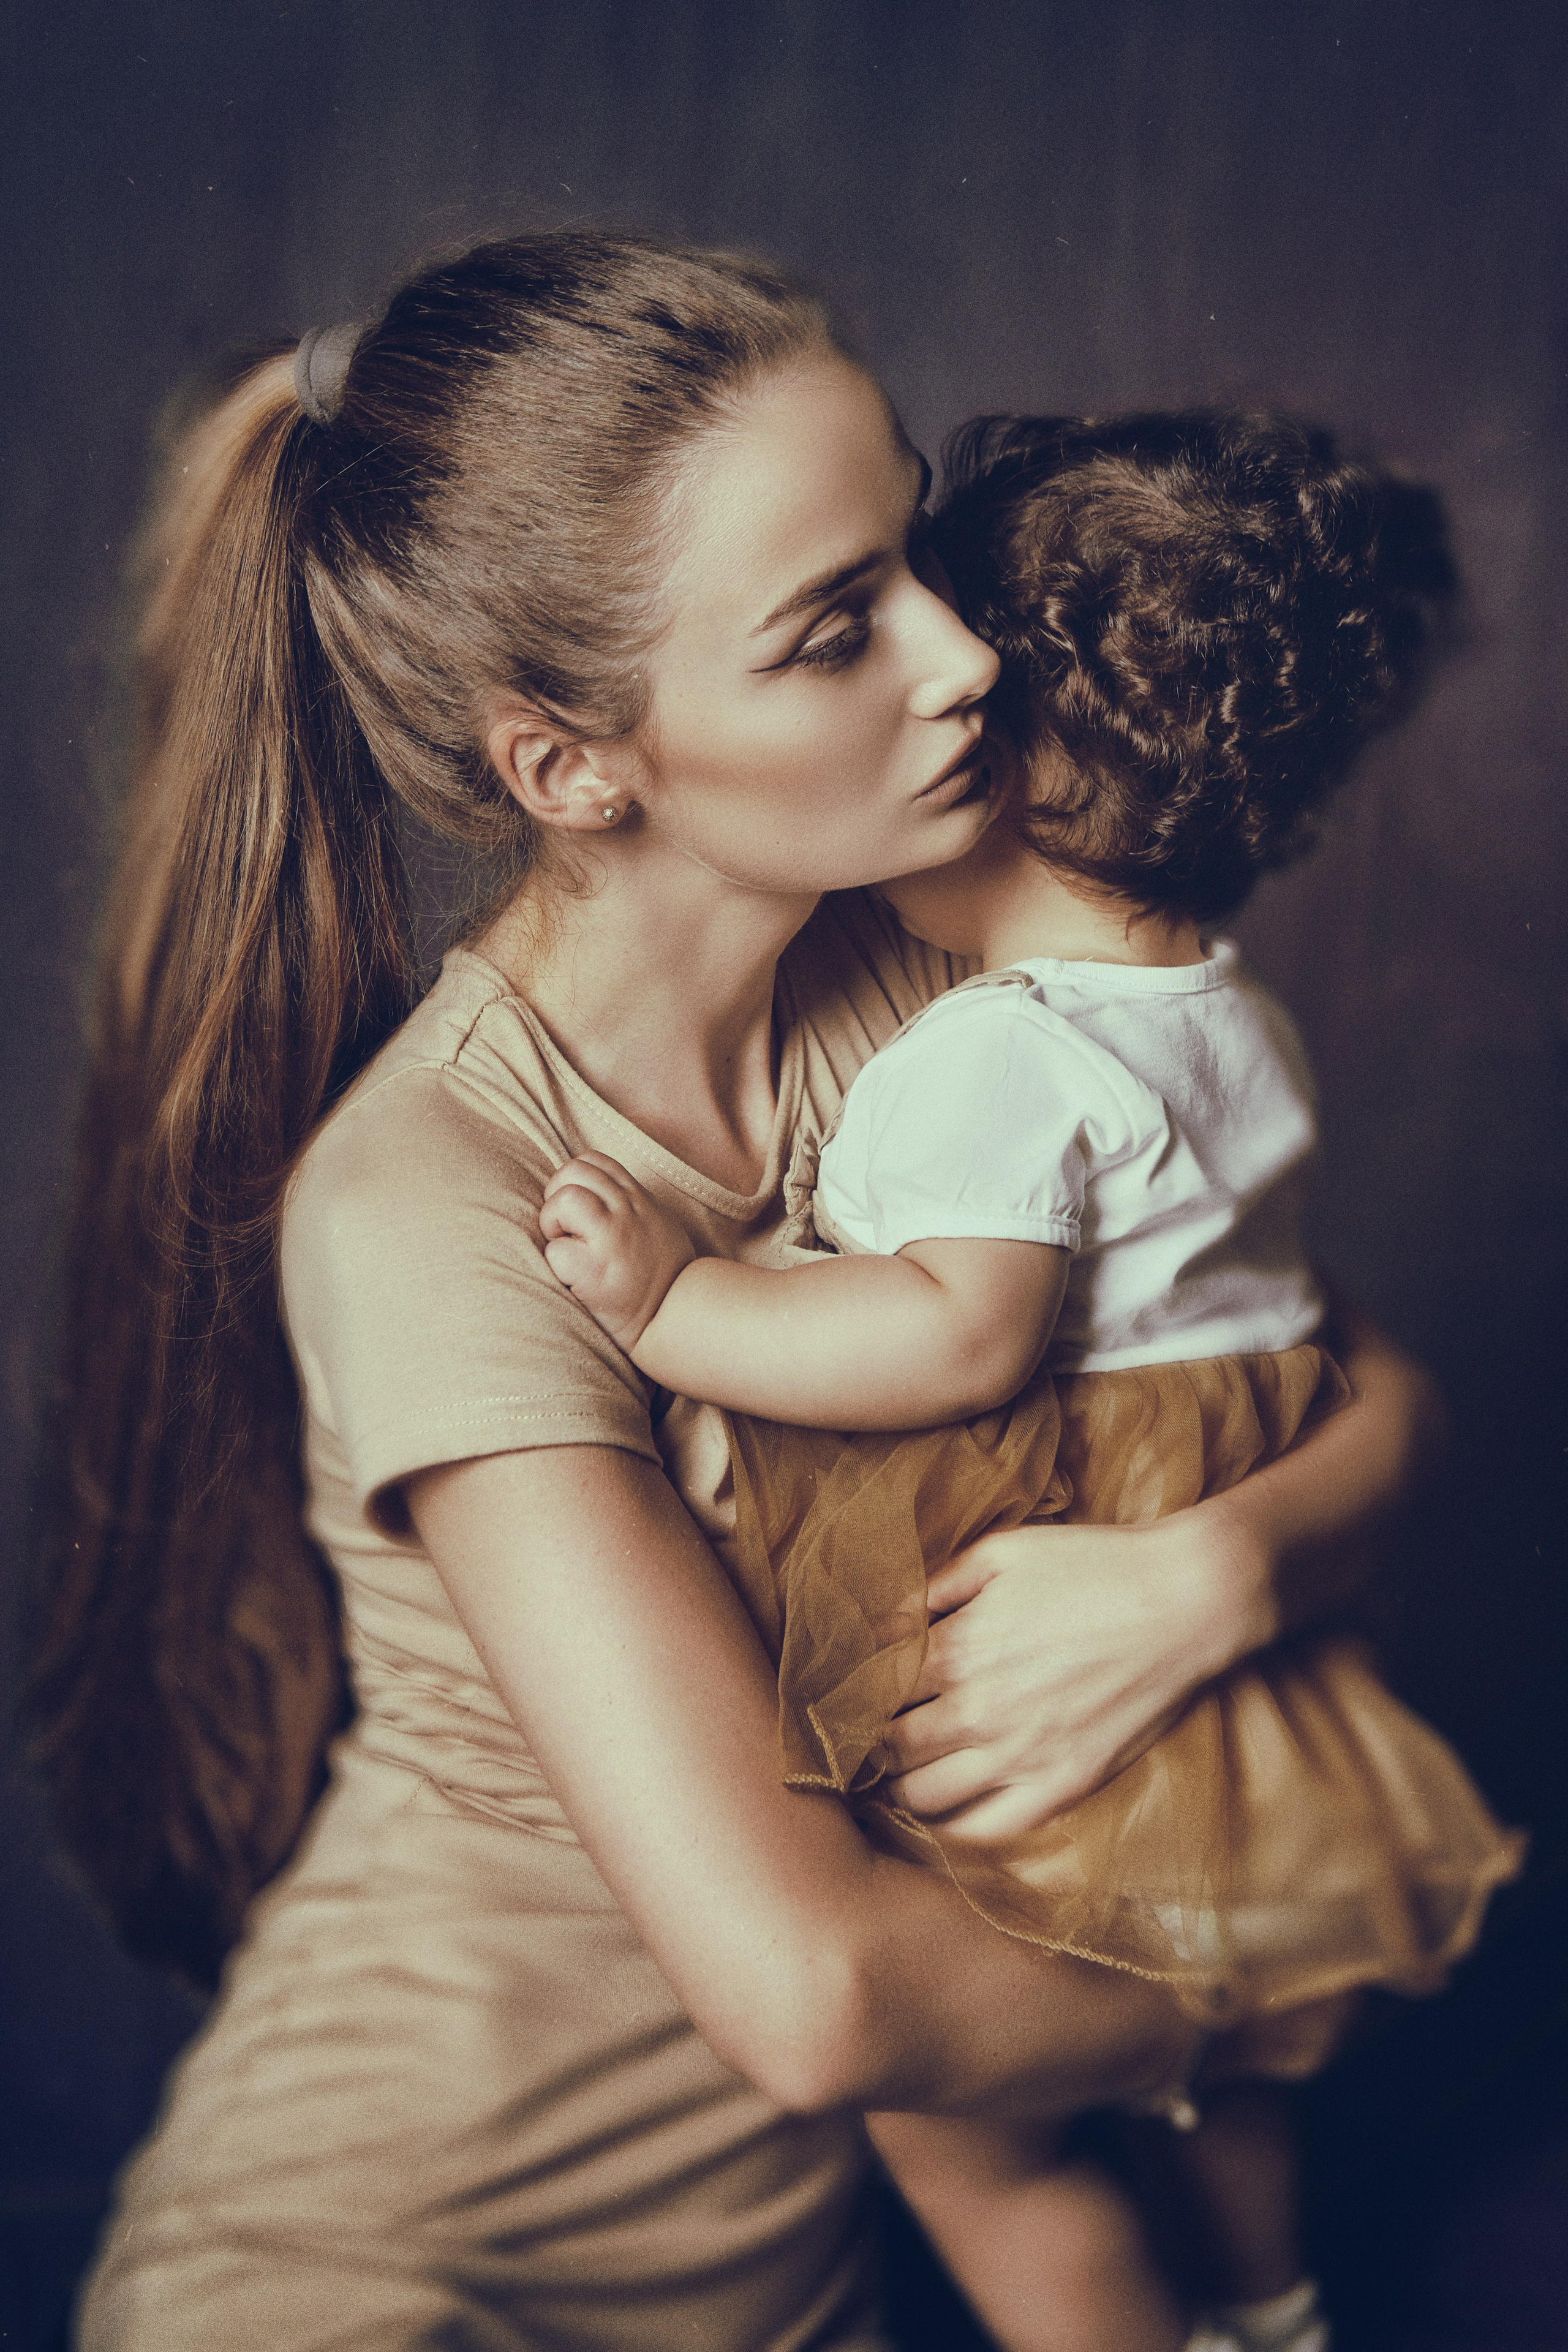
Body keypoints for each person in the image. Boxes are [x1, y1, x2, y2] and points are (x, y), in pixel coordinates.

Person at [28, 238, 1445, 2351]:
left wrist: (1216, 1581)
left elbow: (1351, 1388)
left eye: (920, 558)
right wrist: (1305, 1951)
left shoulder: (932, 988)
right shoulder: (441, 1202)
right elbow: (819, 1998)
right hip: (411, 2274)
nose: (968, 658)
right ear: (568, 768)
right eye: (832, 629)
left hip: (806, 2284)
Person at [538, 409, 1523, 2352]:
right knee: (1227, 2069)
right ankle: (1273, 2303)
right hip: (1242, 1682)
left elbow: (956, 1337)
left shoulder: (1001, 1057)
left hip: (1048, 1613)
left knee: (979, 2138)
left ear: (1002, 779)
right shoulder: (1231, 1015)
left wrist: (679, 1306)